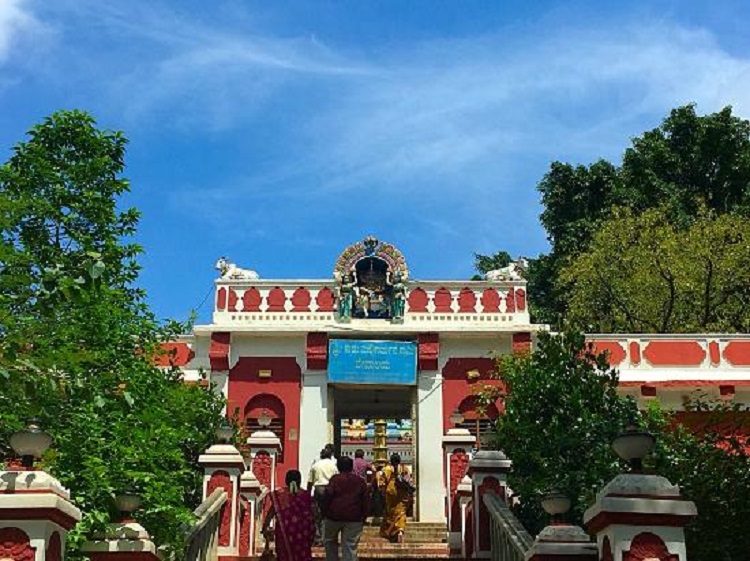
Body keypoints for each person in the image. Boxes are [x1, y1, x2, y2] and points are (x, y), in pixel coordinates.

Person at [322, 456, 370, 561]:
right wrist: (364, 516)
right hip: (354, 517)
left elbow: (327, 496)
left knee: (329, 541)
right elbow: (365, 500)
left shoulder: (335, 479)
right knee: (350, 545)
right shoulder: (360, 481)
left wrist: (324, 512)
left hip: (333, 516)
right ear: (351, 467)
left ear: (338, 466)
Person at [262, 470, 315, 561]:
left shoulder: (279, 495)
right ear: (300, 481)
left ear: (286, 480)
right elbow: (312, 514)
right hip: (302, 533)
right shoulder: (306, 496)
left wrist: (265, 526)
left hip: (284, 534)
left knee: (284, 555)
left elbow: (271, 511)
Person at [379, 453, 414, 543]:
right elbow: (409, 480)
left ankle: (391, 531)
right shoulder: (404, 468)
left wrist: (383, 492)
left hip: (390, 490)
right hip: (402, 491)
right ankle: (400, 530)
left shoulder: (387, 469)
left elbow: (382, 482)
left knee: (390, 512)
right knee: (401, 512)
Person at [308, 447, 339, 545]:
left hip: (318, 488)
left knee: (317, 514)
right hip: (330, 489)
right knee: (330, 514)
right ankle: (330, 537)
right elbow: (336, 479)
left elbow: (310, 481)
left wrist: (308, 494)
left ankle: (318, 537)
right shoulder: (333, 465)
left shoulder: (316, 465)